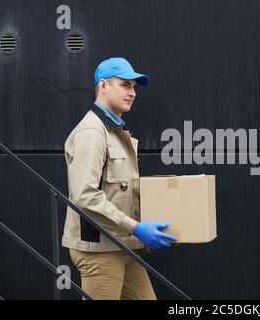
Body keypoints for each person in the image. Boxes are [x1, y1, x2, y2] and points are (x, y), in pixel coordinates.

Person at [62, 57, 177, 300]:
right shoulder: (92, 132)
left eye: (134, 87)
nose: (132, 93)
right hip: (100, 250)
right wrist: (136, 227)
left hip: (123, 244)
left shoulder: (114, 131)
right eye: (125, 85)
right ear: (103, 86)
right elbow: (85, 196)